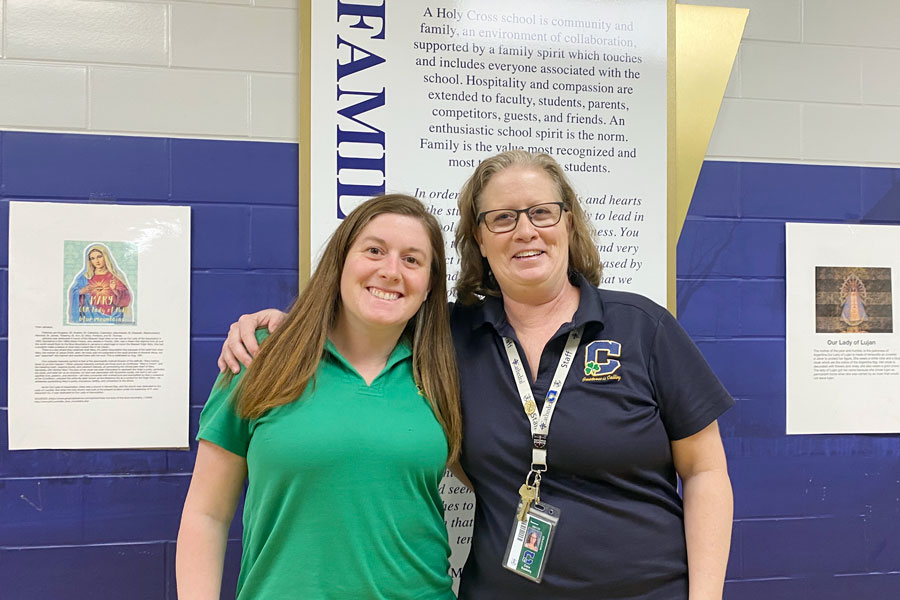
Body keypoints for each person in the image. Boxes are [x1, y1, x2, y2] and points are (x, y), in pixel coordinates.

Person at [218, 151, 734, 600]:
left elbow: (706, 472)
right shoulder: (445, 337)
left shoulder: (642, 327)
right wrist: (275, 327)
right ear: (479, 241)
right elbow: (365, 316)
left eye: (542, 213)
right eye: (502, 218)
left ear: (569, 224)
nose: (526, 230)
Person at [176, 194, 462, 600]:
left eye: (412, 260)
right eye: (374, 250)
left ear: (429, 284)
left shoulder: (441, 372)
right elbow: (207, 514)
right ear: (340, 261)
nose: (391, 271)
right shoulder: (260, 355)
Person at [68, 244, 132, 323]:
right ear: (90, 261)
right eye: (92, 258)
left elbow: (125, 299)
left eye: (99, 256)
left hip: (112, 317)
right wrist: (80, 292)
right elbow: (74, 293)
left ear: (105, 257)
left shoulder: (115, 277)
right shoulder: (85, 277)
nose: (97, 261)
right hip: (90, 317)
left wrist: (115, 290)